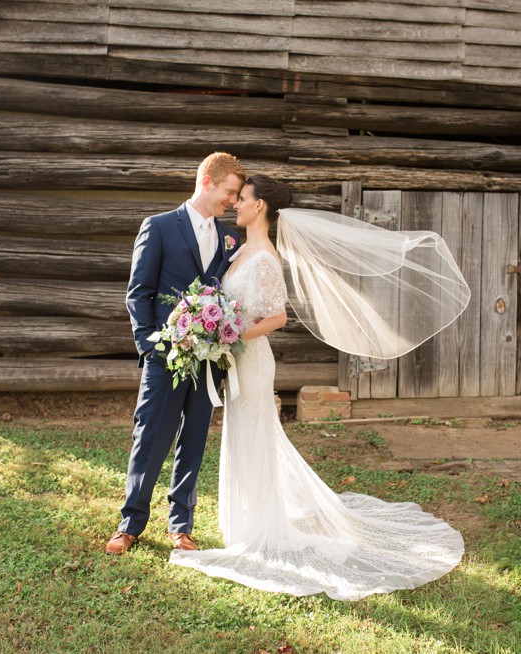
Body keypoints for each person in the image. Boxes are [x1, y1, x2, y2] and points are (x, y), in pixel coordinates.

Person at [169, 175, 466, 601]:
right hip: (238, 359)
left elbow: (275, 318)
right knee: (246, 436)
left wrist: (226, 336)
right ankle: (249, 517)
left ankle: (261, 526)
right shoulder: (242, 250)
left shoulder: (265, 258)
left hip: (252, 363)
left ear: (260, 208)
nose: (236, 204)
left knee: (255, 436)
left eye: (243, 199)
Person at [105, 153, 246, 555]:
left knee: (195, 440)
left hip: (208, 359)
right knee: (150, 438)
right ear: (207, 182)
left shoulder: (229, 240)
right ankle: (130, 524)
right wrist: (149, 343)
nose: (233, 201)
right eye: (229, 192)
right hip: (165, 355)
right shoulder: (160, 227)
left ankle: (181, 525)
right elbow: (139, 292)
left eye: (238, 195)